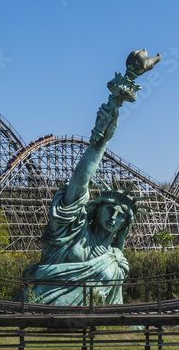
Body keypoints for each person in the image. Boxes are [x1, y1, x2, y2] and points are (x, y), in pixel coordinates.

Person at [19, 103, 140, 306]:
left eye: (120, 215)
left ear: (124, 224)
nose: (113, 217)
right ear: (97, 207)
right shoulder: (75, 230)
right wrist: (101, 144)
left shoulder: (116, 259)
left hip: (91, 321)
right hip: (40, 307)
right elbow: (79, 182)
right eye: (110, 209)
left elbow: (114, 303)